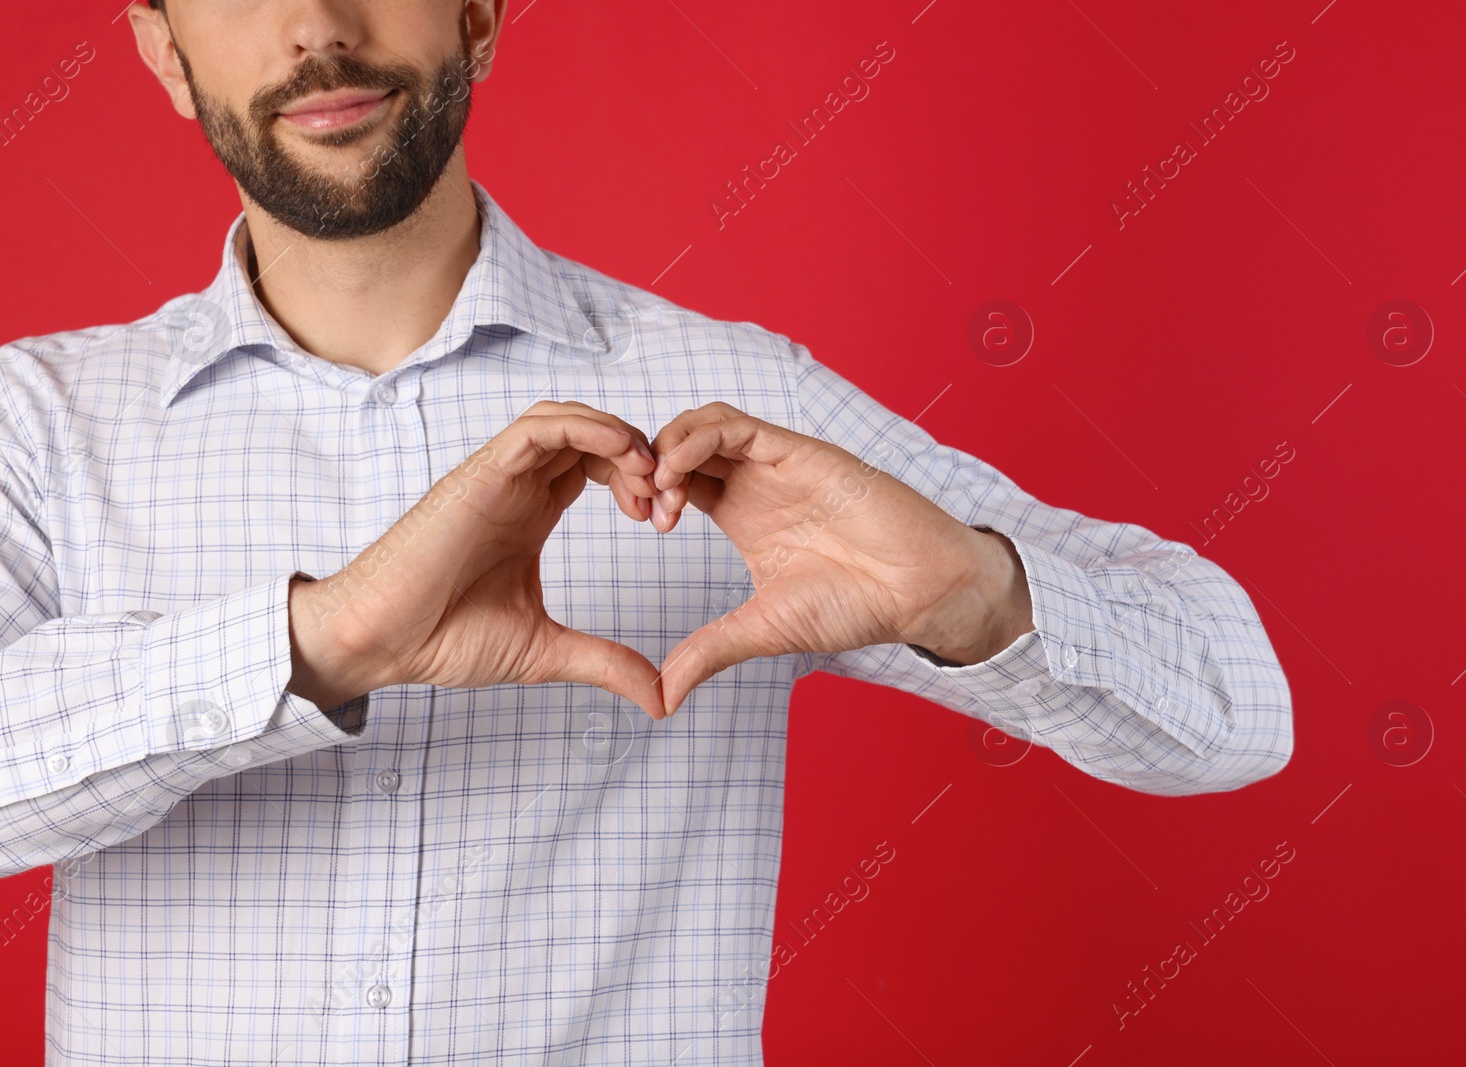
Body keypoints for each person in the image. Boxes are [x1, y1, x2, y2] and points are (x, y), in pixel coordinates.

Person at [0, 1, 1294, 1062]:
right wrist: (315, 642)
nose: (318, 29)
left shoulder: (740, 407)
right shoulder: (42, 423)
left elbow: (1242, 713)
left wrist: (978, 599)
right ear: (164, 50)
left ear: (480, 17)